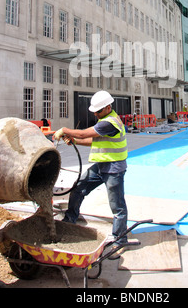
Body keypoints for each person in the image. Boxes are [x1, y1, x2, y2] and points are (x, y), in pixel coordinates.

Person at [53, 90, 128, 255]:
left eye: (98, 111)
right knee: (79, 187)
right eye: (95, 111)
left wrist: (65, 130)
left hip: (113, 168)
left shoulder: (110, 122)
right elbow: (91, 140)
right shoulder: (105, 120)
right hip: (101, 166)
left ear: (108, 107)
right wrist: (74, 141)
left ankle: (120, 239)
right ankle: (69, 220)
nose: (96, 114)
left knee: (117, 206)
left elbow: (83, 133)